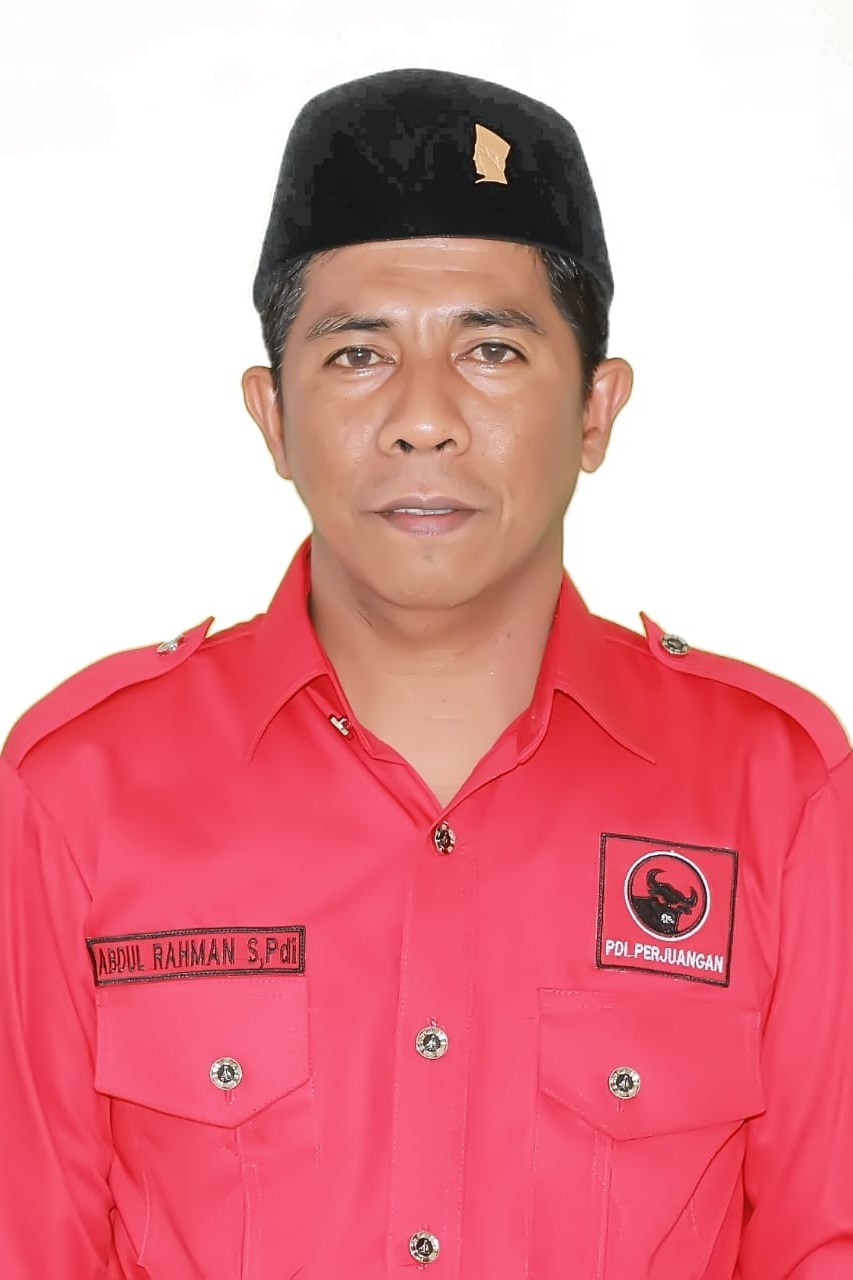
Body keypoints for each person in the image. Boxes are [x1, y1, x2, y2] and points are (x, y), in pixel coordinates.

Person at [1, 66, 851, 1280]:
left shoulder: (778, 791)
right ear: (272, 416)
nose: (423, 417)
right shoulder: (78, 791)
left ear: (596, 409)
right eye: (357, 354)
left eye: (491, 349)